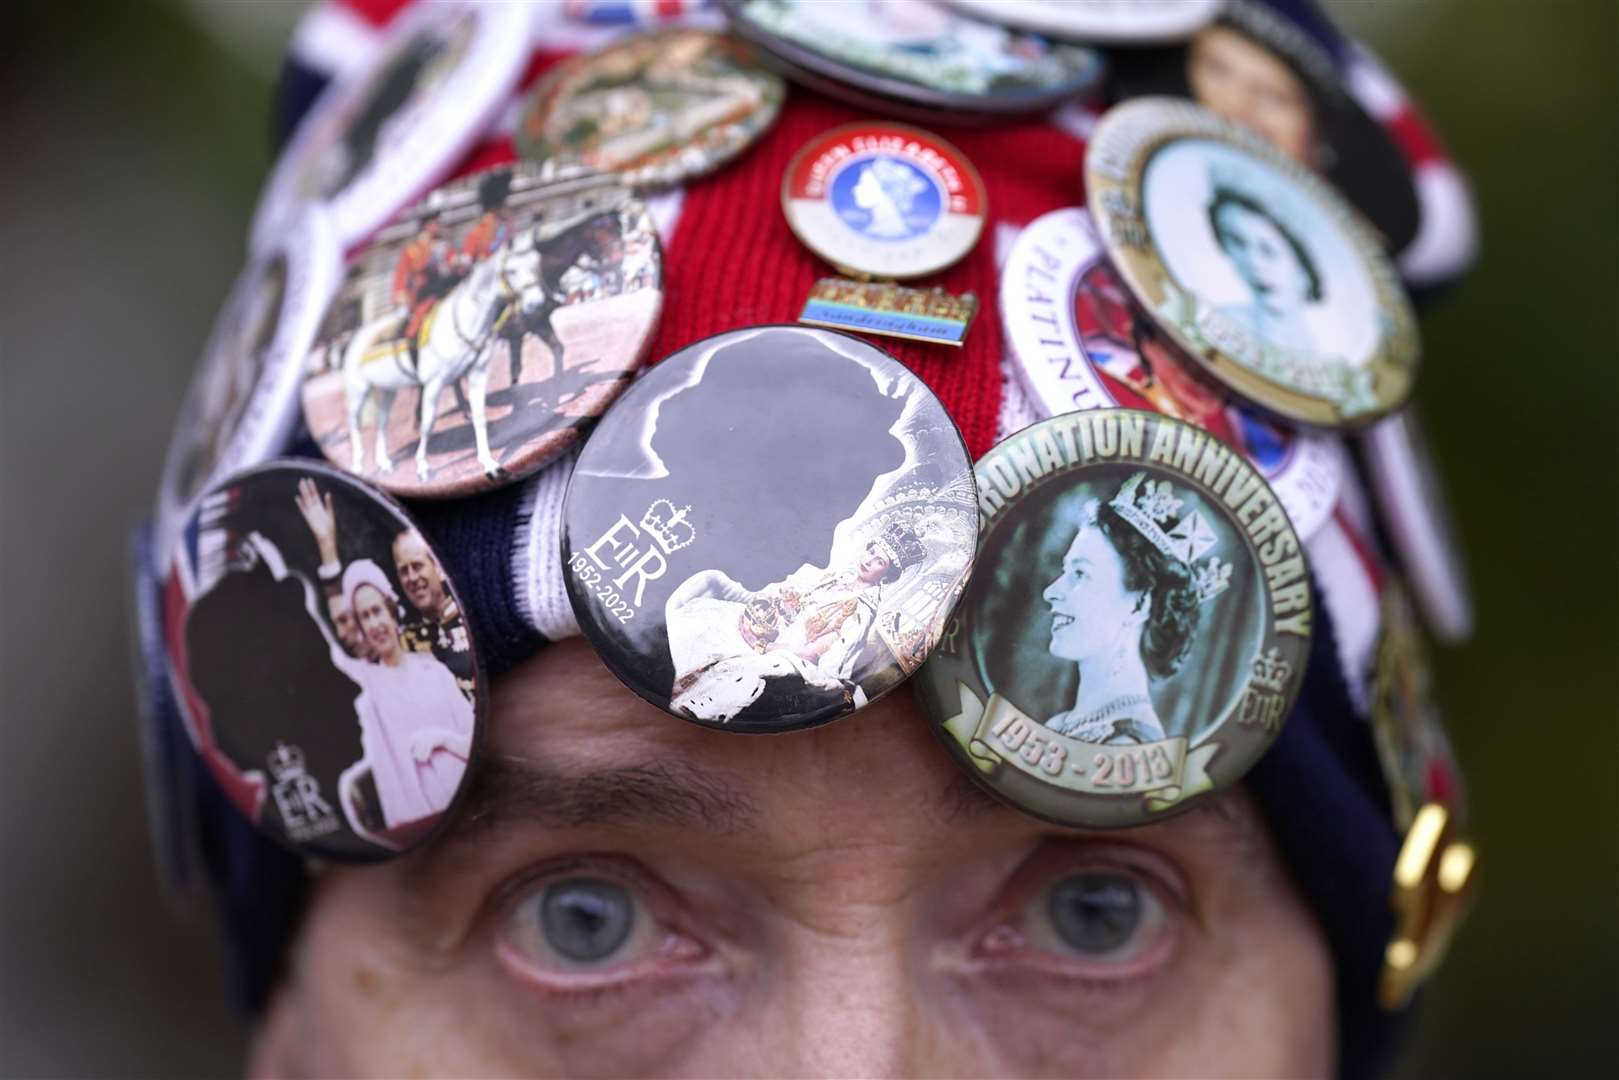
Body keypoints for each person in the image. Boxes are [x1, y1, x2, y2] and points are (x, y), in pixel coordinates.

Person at [664, 524, 925, 723]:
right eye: (871, 551)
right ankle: (678, 681)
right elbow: (791, 600)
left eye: (879, 561)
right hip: (776, 631)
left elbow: (815, 654)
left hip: (794, 659)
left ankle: (696, 704)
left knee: (745, 664)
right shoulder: (835, 577)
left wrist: (768, 645)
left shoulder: (859, 610)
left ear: (887, 574)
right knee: (708, 603)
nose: (868, 560)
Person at [1041, 475, 1203, 745]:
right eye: (1065, 571)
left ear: (1139, 605)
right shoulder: (1060, 724)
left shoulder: (1128, 746)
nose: (1051, 592)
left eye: (1080, 573)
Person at [296, 478, 474, 694]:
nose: (412, 578)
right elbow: (346, 621)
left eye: (417, 566)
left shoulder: (473, 607)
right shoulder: (405, 641)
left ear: (437, 568)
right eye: (403, 570)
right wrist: (326, 545)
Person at [334, 559, 474, 831]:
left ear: (391, 612)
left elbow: (474, 741)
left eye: (377, 611)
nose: (374, 623)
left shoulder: (434, 671)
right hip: (429, 824)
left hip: (472, 797)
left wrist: (442, 739)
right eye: (365, 616)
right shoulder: (370, 690)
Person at [1208, 184, 1325, 356]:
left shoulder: (1318, 350)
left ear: (1303, 268)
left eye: (1268, 251)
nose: (1252, 263)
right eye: (1238, 243)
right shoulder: (1225, 320)